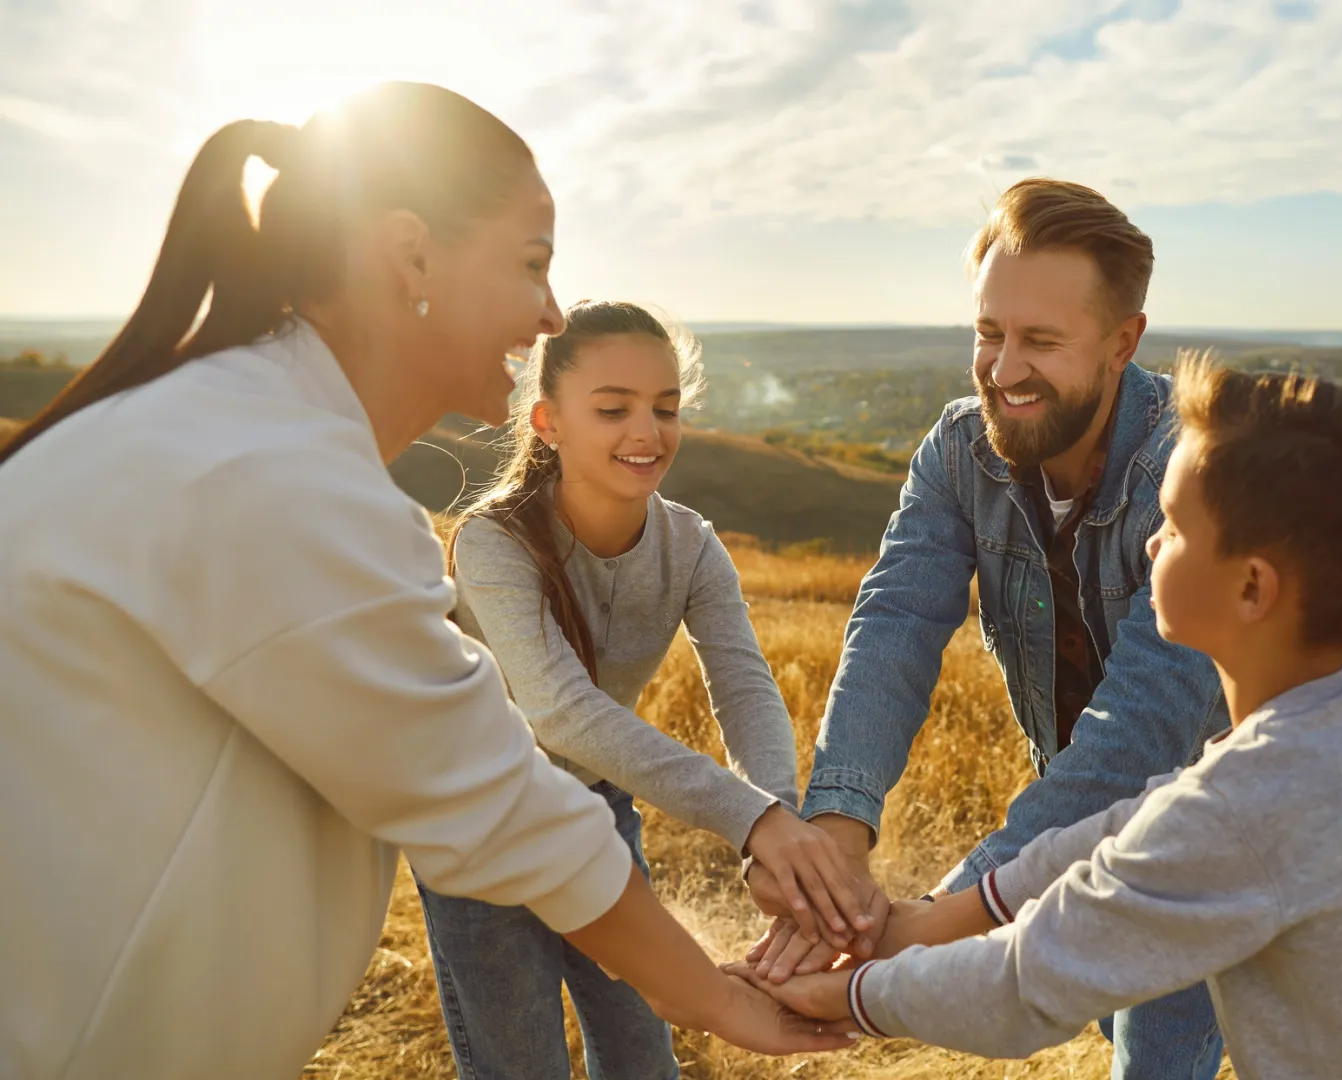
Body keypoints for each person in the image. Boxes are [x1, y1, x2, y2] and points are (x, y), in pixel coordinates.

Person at [0, 83, 853, 1080]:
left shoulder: (231, 431)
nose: (547, 310)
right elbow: (496, 798)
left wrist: (769, 826)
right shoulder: (273, 479)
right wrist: (709, 993)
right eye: (531, 263)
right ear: (411, 256)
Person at [728, 356, 1342, 1079]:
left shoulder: (1250, 810)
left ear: (1251, 588)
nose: (1150, 546)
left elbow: (1026, 988)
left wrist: (843, 993)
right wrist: (954, 912)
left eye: (1172, 528)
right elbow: (1155, 809)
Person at [746, 178, 1230, 1077]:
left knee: (1157, 1054)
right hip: (1074, 824)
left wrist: (939, 917)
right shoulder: (959, 447)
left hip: (1202, 838)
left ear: (1124, 341)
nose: (1004, 369)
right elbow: (897, 618)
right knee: (1102, 1018)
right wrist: (836, 845)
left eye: (1041, 341)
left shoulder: (1191, 473)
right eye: (988, 333)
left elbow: (1142, 734)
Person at [420, 299, 867, 1080]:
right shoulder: (495, 542)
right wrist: (751, 819)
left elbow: (744, 684)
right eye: (613, 409)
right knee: (519, 1066)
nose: (646, 431)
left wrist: (779, 828)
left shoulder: (690, 544)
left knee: (641, 1057)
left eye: (665, 408)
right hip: (479, 832)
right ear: (548, 423)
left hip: (596, 819)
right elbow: (559, 710)